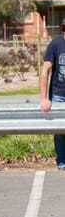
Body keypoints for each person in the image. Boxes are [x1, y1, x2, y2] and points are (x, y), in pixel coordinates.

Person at [40, 17, 65, 171]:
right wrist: (43, 98)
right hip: (59, 93)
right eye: (64, 29)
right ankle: (62, 161)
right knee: (60, 130)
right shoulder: (55, 45)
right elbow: (45, 71)